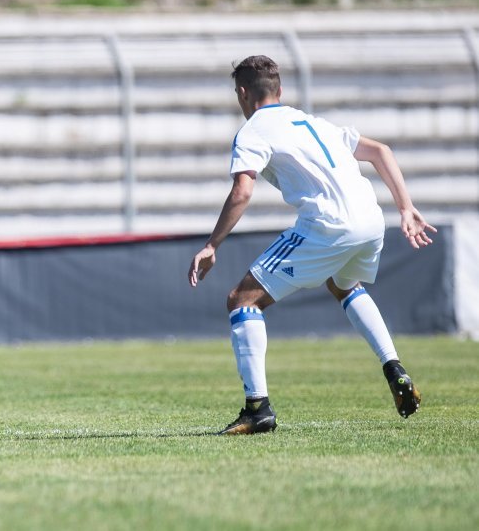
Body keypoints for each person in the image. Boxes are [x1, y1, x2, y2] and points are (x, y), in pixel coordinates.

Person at [187, 55, 436, 435]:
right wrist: (406, 207)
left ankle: (257, 408)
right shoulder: (311, 121)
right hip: (370, 221)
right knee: (344, 284)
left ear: (241, 93)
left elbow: (242, 191)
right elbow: (380, 151)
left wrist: (211, 245)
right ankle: (394, 367)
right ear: (280, 90)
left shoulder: (253, 131)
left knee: (242, 299)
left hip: (328, 225)